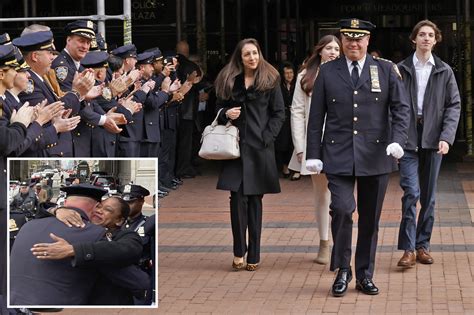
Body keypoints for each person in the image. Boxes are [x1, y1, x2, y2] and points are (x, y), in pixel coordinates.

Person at [305, 19, 410, 296]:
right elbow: (316, 118)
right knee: (341, 209)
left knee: (370, 219)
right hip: (337, 154)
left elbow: (401, 110)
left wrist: (398, 140)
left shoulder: (385, 69)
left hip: (375, 154)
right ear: (341, 40)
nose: (354, 44)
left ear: (367, 41)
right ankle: (342, 269)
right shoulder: (328, 71)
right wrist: (313, 154)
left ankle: (364, 274)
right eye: (348, 39)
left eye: (359, 39)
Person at [10, 184, 148, 305]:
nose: (100, 212)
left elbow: (128, 249)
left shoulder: (28, 226)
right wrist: (55, 210)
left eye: (108, 210)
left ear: (119, 221)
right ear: (96, 207)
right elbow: (138, 282)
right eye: (101, 207)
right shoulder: (92, 234)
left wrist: (74, 250)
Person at [214, 38, 285, 271]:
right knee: (236, 200)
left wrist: (267, 138)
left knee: (254, 200)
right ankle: (238, 251)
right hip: (234, 149)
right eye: (247, 54)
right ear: (240, 57)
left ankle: (254, 253)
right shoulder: (228, 79)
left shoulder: (270, 78)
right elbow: (216, 110)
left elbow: (278, 113)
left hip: (259, 149)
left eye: (255, 53)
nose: (252, 57)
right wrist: (226, 112)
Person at [396, 20, 461, 267]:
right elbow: (392, 105)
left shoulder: (444, 71)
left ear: (436, 40)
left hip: (433, 139)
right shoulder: (400, 69)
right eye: (421, 34)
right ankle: (408, 249)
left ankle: (423, 245)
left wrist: (446, 137)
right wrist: (396, 139)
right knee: (411, 193)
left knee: (429, 197)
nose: (425, 38)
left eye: (430, 35)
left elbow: (454, 106)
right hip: (408, 139)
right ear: (414, 39)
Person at [288, 34, 341, 265]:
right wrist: (300, 147)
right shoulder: (304, 76)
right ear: (320, 50)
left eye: (336, 49)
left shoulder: (346, 73)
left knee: (341, 195)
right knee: (322, 196)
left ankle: (341, 240)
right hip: (314, 145)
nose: (333, 52)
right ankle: (324, 243)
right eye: (329, 48)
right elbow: (297, 112)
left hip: (341, 145)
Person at [275, 61, 295, 179]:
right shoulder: (278, 86)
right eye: (286, 73)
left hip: (294, 118)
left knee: (293, 143)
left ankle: (293, 167)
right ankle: (284, 166)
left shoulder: (297, 85)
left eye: (291, 72)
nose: (289, 75)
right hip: (283, 119)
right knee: (282, 143)